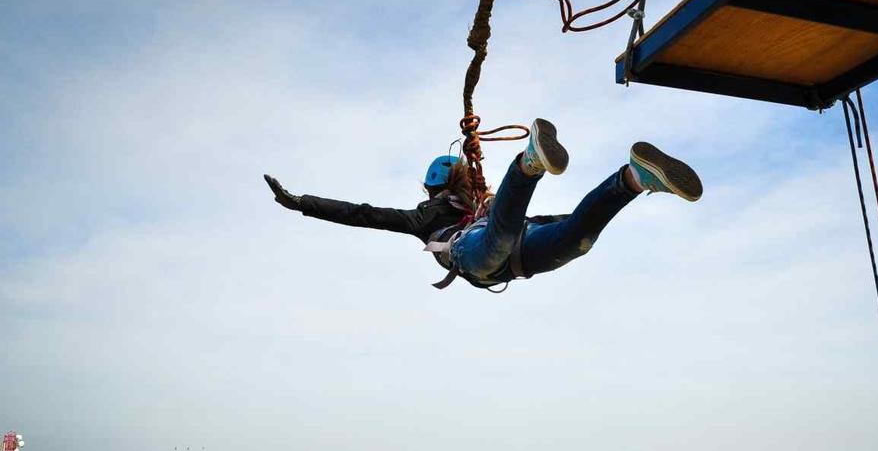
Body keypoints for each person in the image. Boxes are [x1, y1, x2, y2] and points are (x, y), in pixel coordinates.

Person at [264, 118, 702, 290]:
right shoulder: (434, 217)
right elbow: (360, 214)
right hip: (497, 255)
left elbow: (362, 214)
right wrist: (301, 202)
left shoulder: (465, 207)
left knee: (577, 241)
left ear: (432, 185)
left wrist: (298, 201)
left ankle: (632, 178)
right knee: (513, 228)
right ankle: (608, 176)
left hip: (494, 251)